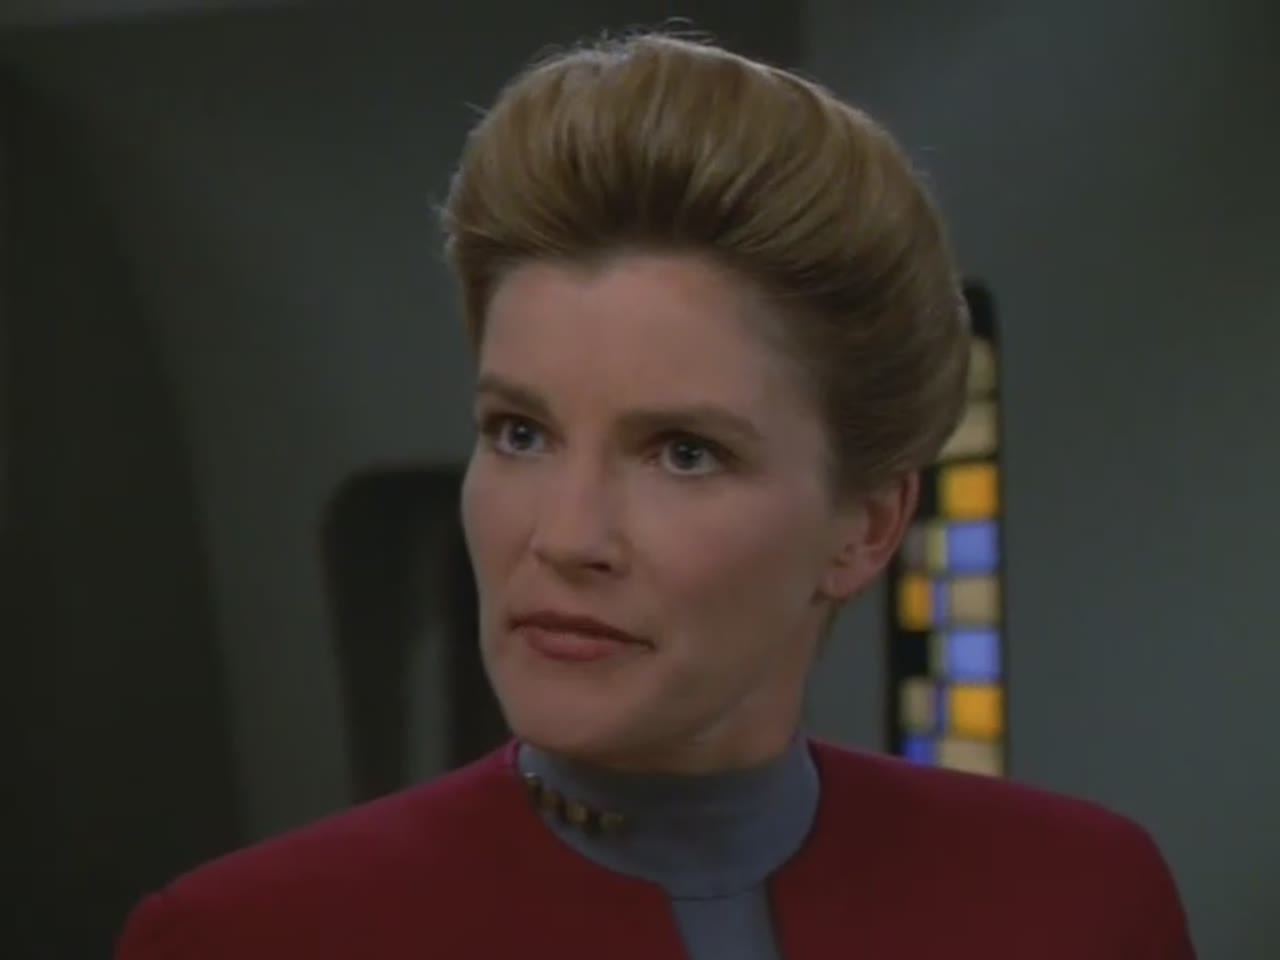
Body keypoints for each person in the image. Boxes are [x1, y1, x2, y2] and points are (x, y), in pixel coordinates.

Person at [116, 32, 1195, 960]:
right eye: (521, 433)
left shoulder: (1078, 903)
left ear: (865, 528)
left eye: (682, 453)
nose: (566, 536)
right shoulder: (247, 939)